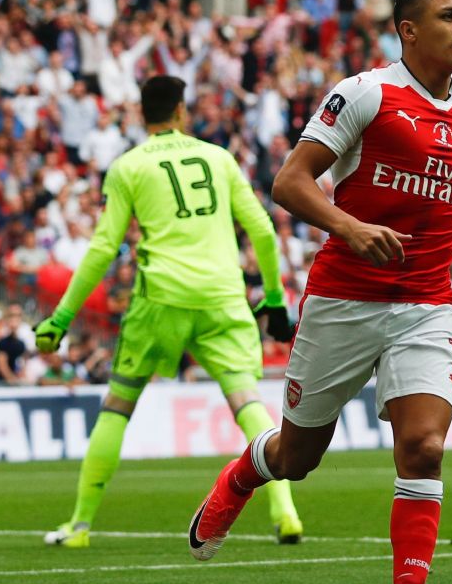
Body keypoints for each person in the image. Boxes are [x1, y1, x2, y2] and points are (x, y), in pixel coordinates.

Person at [186, 0, 452, 584]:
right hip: (344, 299)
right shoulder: (366, 94)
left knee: (423, 446)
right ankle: (243, 476)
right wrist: (349, 225)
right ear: (408, 30)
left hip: (426, 305)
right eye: (449, 16)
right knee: (298, 460)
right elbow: (290, 181)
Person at [35, 75, 303, 549]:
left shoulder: (128, 166)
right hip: (223, 297)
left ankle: (78, 526)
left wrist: (60, 318)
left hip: (160, 299)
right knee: (249, 405)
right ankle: (285, 513)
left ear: (143, 115)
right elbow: (262, 229)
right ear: (182, 112)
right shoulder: (218, 158)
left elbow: (102, 248)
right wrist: (275, 297)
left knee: (118, 405)